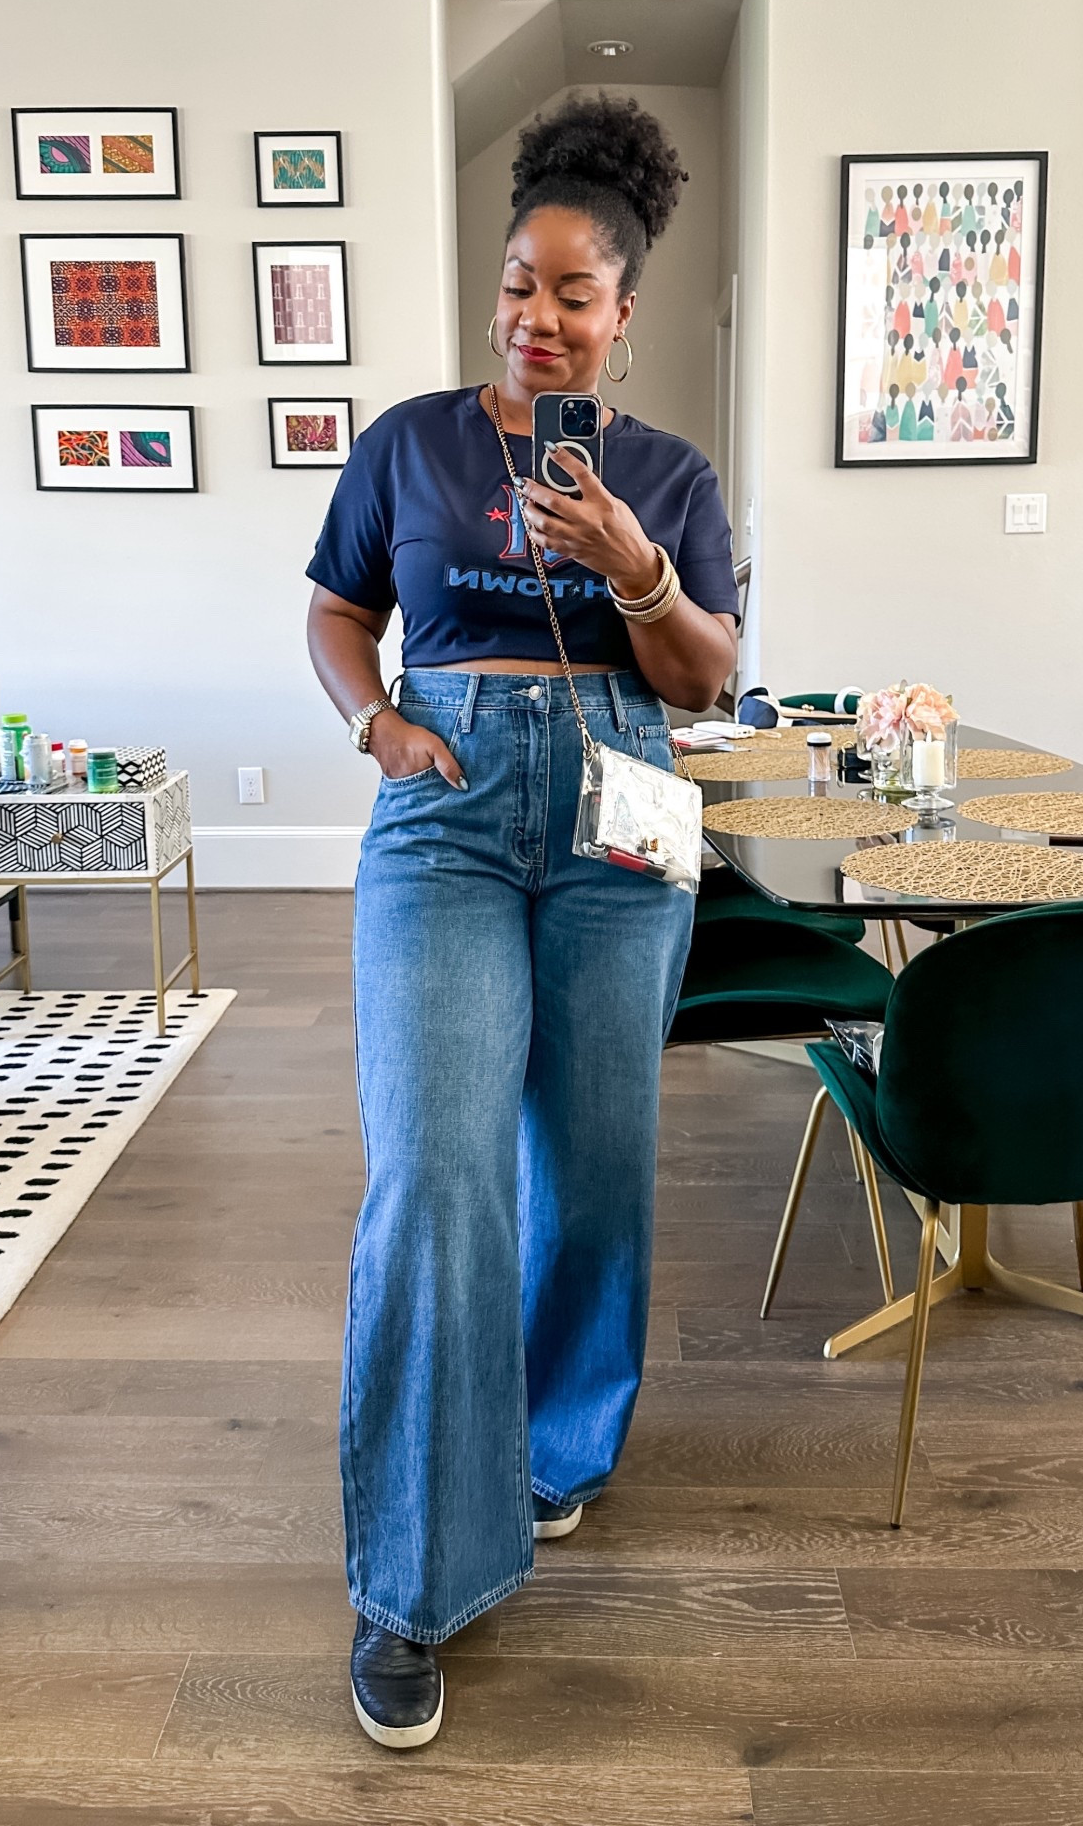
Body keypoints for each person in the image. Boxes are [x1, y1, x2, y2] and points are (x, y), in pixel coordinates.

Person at [305, 94, 739, 1751]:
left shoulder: (675, 480)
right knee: (436, 1163)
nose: (537, 319)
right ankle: (411, 1583)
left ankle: (557, 1447)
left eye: (574, 294)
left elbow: (704, 680)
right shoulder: (409, 443)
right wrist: (378, 725)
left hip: (624, 805)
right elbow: (345, 609)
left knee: (600, 1158)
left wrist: (638, 567)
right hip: (448, 809)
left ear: (624, 313)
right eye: (516, 285)